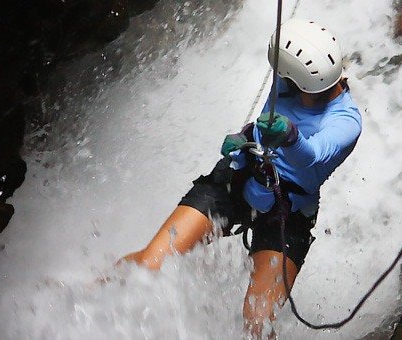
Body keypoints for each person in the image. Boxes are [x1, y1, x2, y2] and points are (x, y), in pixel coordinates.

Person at [121, 18, 362, 337]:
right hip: (237, 180)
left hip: (286, 212)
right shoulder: (289, 81)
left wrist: (289, 136)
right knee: (150, 265)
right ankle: (91, 290)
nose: (282, 84)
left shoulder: (346, 121)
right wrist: (247, 134)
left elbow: (313, 154)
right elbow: (270, 114)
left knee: (258, 325)